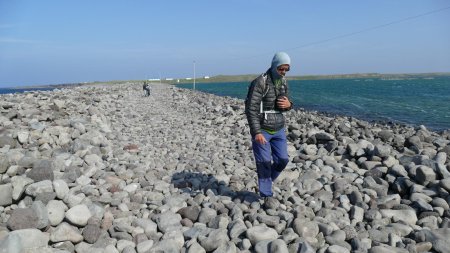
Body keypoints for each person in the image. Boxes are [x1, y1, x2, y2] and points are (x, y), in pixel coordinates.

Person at [245, 52, 293, 209]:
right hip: (263, 129)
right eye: (281, 69)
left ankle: (265, 182)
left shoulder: (284, 82)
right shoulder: (260, 82)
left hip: (278, 128)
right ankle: (266, 194)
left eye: (286, 69)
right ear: (274, 66)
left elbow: (283, 106)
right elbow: (251, 108)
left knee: (283, 160)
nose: (283, 72)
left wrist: (289, 105)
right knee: (264, 163)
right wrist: (256, 132)